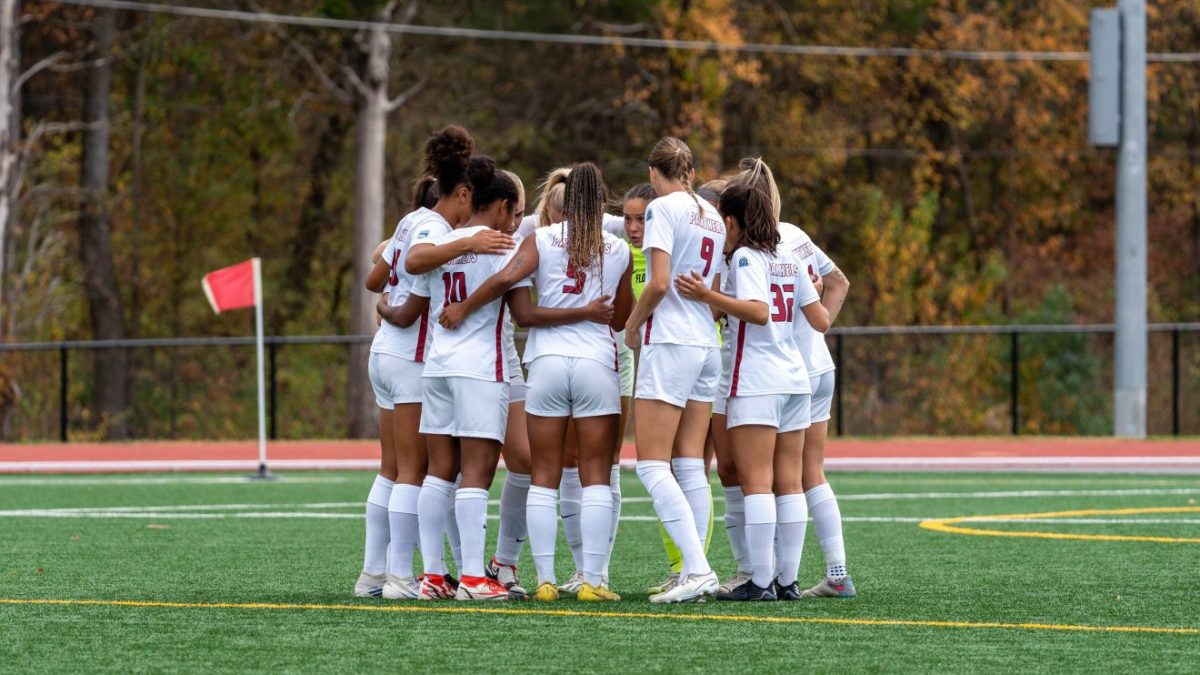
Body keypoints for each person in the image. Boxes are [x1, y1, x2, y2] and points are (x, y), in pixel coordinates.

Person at [444, 163, 633, 601]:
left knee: (543, 476)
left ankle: (545, 580)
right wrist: (589, 311)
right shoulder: (617, 248)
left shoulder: (541, 239)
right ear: (602, 203)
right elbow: (620, 318)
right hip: (595, 366)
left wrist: (464, 306)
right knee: (596, 478)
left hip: (545, 364)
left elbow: (512, 294)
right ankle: (592, 581)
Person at [678, 166, 830, 600]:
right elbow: (819, 320)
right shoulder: (791, 256)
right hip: (796, 381)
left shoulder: (746, 257)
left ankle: (760, 581)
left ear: (731, 221)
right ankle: (788, 581)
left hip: (758, 381)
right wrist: (810, 290)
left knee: (758, 482)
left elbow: (759, 311)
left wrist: (709, 297)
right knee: (790, 482)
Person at [353, 126, 475, 599]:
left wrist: (384, 304)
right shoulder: (435, 230)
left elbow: (376, 276)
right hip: (410, 357)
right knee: (413, 470)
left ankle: (372, 574)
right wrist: (465, 245)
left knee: (390, 467)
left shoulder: (407, 221)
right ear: (459, 194)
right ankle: (401, 577)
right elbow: (416, 271)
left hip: (385, 353)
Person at [408, 157, 524, 601]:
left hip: (438, 366)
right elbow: (517, 302)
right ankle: (474, 577)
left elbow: (412, 266)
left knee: (439, 473)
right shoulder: (503, 245)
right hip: (480, 369)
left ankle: (433, 576)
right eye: (512, 213)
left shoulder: (446, 239)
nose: (513, 223)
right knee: (477, 473)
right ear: (501, 205)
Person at [623, 137, 725, 603]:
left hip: (672, 342)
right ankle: (692, 569)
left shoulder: (664, 209)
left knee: (650, 463)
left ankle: (698, 568)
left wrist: (632, 323)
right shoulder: (711, 215)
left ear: (653, 172)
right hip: (706, 341)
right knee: (689, 465)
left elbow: (659, 282)